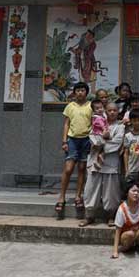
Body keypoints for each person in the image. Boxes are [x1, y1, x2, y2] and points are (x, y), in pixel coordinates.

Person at [80, 102, 124, 227]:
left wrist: (101, 145)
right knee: (91, 189)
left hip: (110, 162)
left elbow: (117, 142)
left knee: (111, 192)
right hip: (95, 161)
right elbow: (92, 137)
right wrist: (102, 141)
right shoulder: (98, 121)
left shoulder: (120, 126)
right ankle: (89, 216)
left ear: (118, 112)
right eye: (109, 110)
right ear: (105, 110)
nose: (112, 112)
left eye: (114, 110)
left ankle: (110, 215)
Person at [57, 81, 91, 219]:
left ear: (86, 92)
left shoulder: (90, 106)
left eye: (82, 90)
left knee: (82, 168)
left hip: (86, 140)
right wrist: (64, 141)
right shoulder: (70, 106)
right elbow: (66, 124)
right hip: (72, 140)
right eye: (77, 90)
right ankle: (61, 196)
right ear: (74, 92)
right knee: (69, 168)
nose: (80, 93)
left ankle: (78, 196)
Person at [111, 183, 139, 259]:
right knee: (130, 234)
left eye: (138, 191)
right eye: (133, 191)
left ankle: (138, 246)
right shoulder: (121, 209)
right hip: (127, 235)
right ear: (127, 193)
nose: (136, 193)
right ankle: (127, 247)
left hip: (138, 232)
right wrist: (115, 251)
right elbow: (117, 231)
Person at [89, 99, 108, 170]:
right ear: (93, 110)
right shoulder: (98, 118)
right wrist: (105, 130)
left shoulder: (101, 116)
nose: (100, 109)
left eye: (101, 107)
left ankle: (96, 160)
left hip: (97, 134)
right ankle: (99, 157)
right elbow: (102, 125)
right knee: (103, 146)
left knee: (100, 149)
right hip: (98, 135)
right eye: (97, 108)